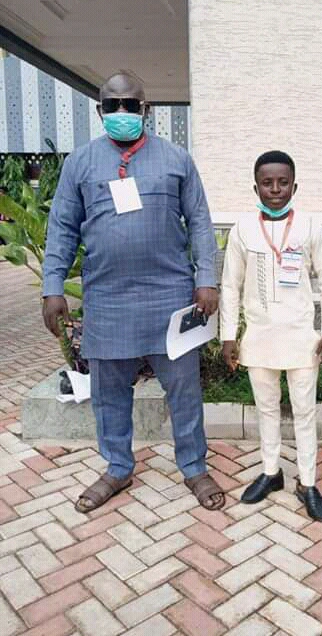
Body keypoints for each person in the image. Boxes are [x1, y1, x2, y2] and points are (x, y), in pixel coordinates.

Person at [42, 72, 225, 513]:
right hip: (108, 300)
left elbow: (199, 221)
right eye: (112, 105)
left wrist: (207, 279)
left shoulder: (176, 159)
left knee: (184, 390)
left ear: (147, 109)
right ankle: (118, 467)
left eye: (130, 104)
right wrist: (52, 286)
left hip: (170, 297)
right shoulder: (80, 163)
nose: (121, 112)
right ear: (99, 110)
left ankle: (194, 466)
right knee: (109, 394)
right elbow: (62, 226)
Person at [220, 151, 322, 521]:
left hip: (302, 338)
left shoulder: (309, 226)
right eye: (267, 183)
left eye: (283, 182)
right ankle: (271, 472)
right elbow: (230, 286)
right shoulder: (242, 229)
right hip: (258, 337)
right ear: (255, 187)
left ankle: (308, 482)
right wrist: (228, 336)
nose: (275, 190)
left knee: (304, 411)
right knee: (267, 409)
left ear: (294, 186)